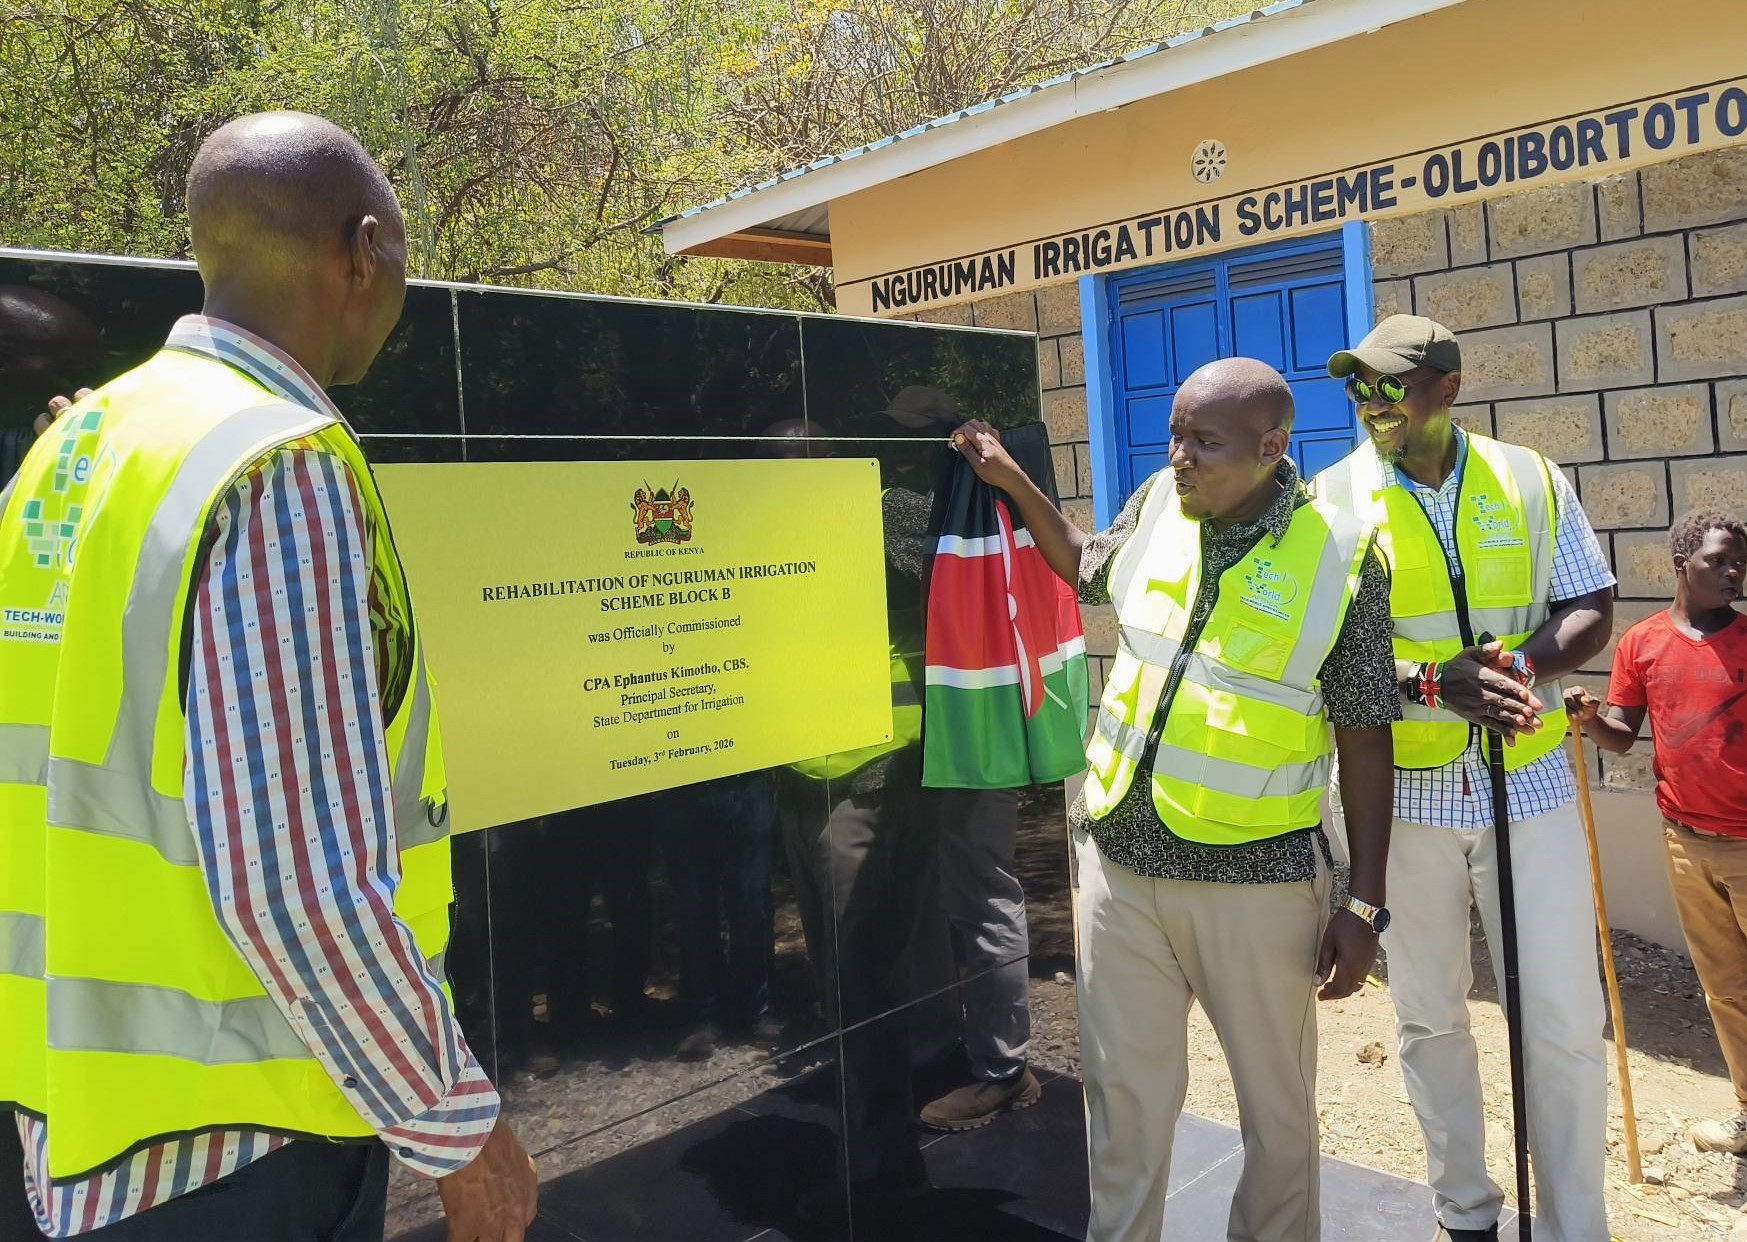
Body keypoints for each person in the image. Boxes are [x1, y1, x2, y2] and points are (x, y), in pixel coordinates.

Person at [0, 113, 538, 1239]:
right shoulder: (274, 463)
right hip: (242, 1151)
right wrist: (455, 1127)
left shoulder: (75, 445)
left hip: (80, 1130)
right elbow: (297, 885)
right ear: (361, 251)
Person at [956, 356, 1398, 1242]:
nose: (1178, 457)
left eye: (1204, 442)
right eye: (1174, 434)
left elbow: (1364, 733)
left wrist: (1361, 902)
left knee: (1275, 1116)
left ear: (1272, 447)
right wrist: (1009, 479)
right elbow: (1086, 566)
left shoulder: (1343, 558)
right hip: (1117, 864)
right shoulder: (1159, 502)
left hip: (1256, 882)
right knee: (1122, 1098)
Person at [1314, 315, 1614, 1242]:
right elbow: (1321, 651)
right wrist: (1430, 682)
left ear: (1446, 386)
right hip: (1401, 800)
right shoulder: (1332, 500)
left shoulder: (1528, 476)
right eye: (1358, 388)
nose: (1371, 404)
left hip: (1526, 788)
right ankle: (1465, 1213)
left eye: (1390, 386)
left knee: (1562, 1022)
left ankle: (1573, 1225)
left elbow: (1590, 606)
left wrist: (1515, 667)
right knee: (1430, 1017)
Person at [1566, 510, 1747, 1154]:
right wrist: (1587, 720)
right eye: (1718, 561)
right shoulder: (1642, 643)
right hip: (1684, 840)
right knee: (1726, 986)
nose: (1733, 573)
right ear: (1681, 566)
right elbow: (1621, 738)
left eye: (1739, 563)